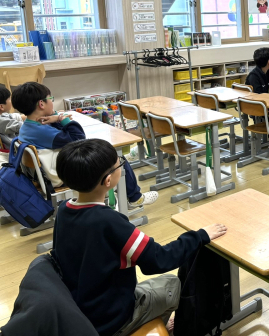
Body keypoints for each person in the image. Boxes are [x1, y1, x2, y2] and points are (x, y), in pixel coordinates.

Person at [51, 139, 227, 336]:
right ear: (108, 181)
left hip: (79, 309)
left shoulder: (64, 210)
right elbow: (159, 260)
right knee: (171, 285)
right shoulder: (110, 222)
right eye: (119, 164)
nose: (121, 165)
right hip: (111, 319)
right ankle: (151, 326)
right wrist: (200, 236)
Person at [12, 82, 157, 208]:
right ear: (41, 104)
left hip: (45, 173)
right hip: (63, 173)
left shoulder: (29, 126)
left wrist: (55, 118)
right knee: (116, 159)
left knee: (111, 153)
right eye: (51, 99)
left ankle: (128, 163)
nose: (52, 102)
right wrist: (62, 118)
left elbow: (63, 135)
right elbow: (78, 138)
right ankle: (135, 198)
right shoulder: (41, 130)